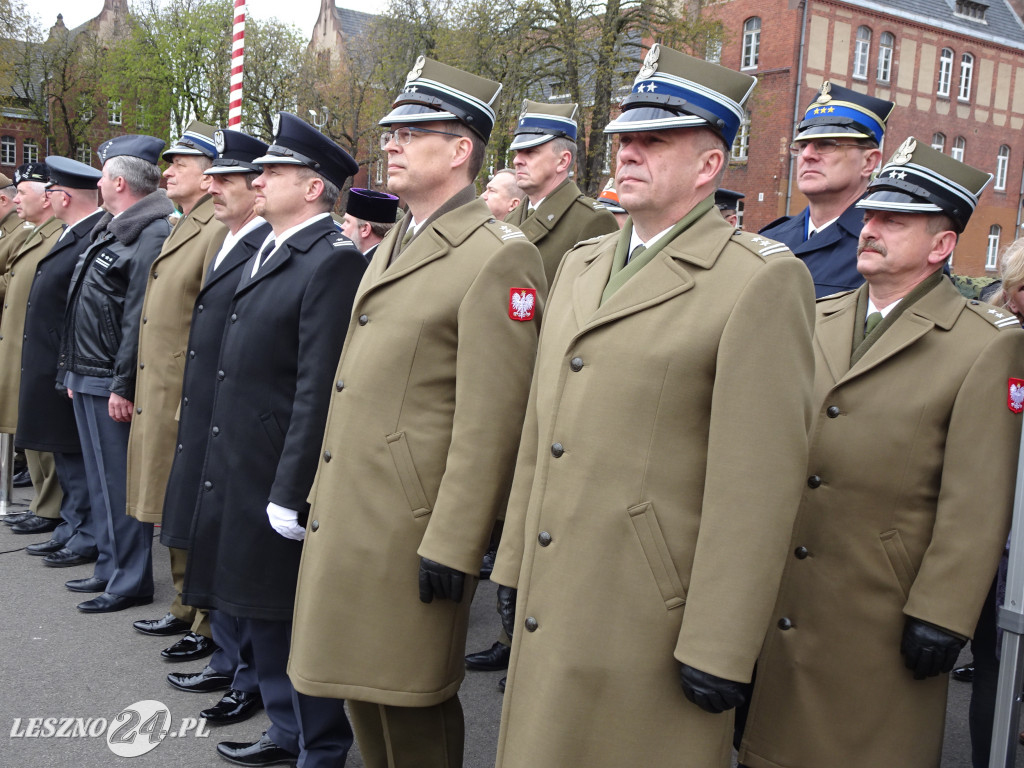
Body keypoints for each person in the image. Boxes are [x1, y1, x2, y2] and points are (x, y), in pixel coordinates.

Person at [487, 45, 816, 768]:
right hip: (558, 586)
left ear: (708, 166)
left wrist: (721, 644)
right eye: (622, 140)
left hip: (647, 612)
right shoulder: (582, 264)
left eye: (653, 141)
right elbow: (543, 429)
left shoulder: (757, 282)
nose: (627, 153)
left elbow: (757, 485)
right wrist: (511, 564)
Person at [287, 56, 546, 768]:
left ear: (461, 149)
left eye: (412, 130)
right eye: (391, 129)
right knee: (363, 695)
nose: (391, 142)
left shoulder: (497, 257)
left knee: (411, 705)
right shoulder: (398, 239)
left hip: (413, 526)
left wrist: (457, 542)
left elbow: (494, 417)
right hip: (355, 511)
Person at [738, 138, 1024, 768]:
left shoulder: (983, 345)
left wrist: (944, 613)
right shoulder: (821, 315)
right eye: (870, 216)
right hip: (786, 586)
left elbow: (977, 497)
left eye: (894, 221)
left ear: (942, 246)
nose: (869, 230)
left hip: (882, 603)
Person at [181, 112, 368, 768]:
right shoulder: (272, 245)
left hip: (274, 466)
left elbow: (316, 389)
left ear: (314, 188)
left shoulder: (330, 261)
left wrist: (292, 490)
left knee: (287, 615)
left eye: (275, 172)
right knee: (257, 606)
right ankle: (285, 729)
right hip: (240, 456)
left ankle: (319, 745)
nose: (259, 179)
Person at [159, 128, 272, 730]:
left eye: (227, 180)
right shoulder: (229, 239)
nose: (215, 187)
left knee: (238, 548)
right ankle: (226, 657)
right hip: (209, 412)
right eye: (216, 178)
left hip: (240, 421)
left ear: (258, 188)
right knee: (213, 537)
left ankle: (245, 672)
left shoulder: (262, 245)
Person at [58, 134, 174, 613]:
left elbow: (137, 317)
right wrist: (70, 369)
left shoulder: (151, 232)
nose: (98, 181)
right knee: (100, 478)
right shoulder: (114, 226)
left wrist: (122, 384)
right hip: (87, 372)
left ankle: (130, 579)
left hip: (111, 377)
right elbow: (84, 302)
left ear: (119, 182)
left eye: (103, 175)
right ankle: (109, 566)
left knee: (120, 483)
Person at [127, 121, 227, 665]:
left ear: (210, 173)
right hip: (164, 383)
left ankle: (203, 613)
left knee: (190, 496)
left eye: (180, 164)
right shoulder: (185, 221)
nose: (167, 172)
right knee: (173, 494)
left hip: (188, 387)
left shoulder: (215, 226)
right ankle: (186, 603)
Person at [16, 157, 104, 567]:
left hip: (65, 360)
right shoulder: (73, 232)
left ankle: (84, 532)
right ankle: (71, 526)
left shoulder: (90, 235)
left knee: (73, 451)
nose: (45, 196)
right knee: (63, 450)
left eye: (49, 190)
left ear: (63, 196)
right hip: (54, 359)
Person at [760, 81, 894, 297]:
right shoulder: (770, 239)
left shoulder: (889, 247)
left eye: (826, 144)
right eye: (803, 145)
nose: (807, 155)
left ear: (869, 162)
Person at [0, 163, 66, 536]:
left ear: (47, 198)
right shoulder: (38, 232)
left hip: (39, 345)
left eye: (22, 193)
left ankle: (50, 508)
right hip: (22, 343)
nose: (16, 199)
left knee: (42, 434)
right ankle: (45, 504)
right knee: (31, 428)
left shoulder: (54, 233)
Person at [505, 100, 617, 286]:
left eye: (530, 152)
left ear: (563, 161)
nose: (517, 160)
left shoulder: (592, 220)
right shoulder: (511, 218)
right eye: (517, 152)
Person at [340, 187, 400, 258]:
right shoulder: (388, 256)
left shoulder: (365, 265)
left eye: (348, 222)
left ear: (365, 229)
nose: (342, 226)